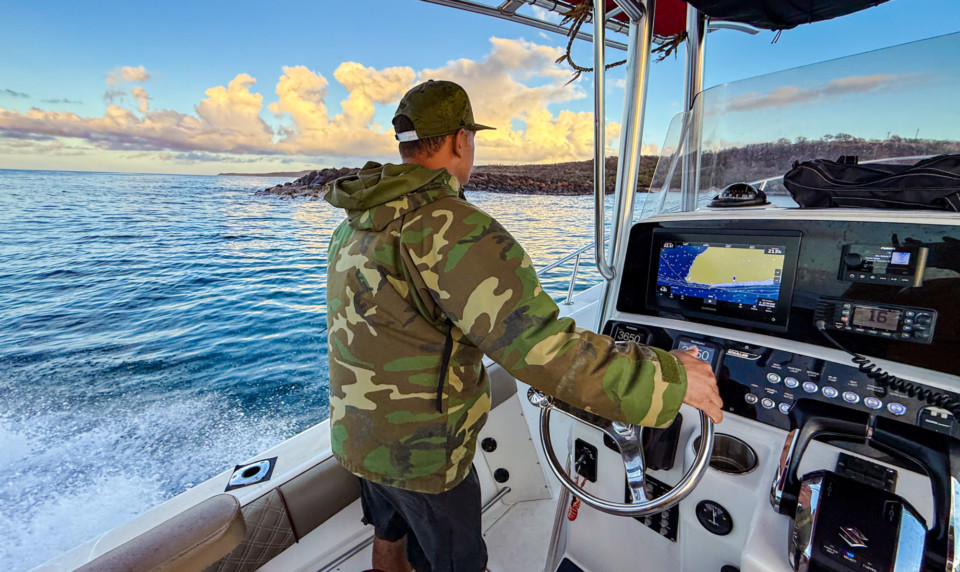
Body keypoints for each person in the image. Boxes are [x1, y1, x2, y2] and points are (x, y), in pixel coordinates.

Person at [324, 79, 723, 572]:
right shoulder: (452, 225)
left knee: (390, 532)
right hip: (422, 455)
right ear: (460, 140)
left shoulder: (358, 217)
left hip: (358, 432)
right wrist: (669, 376)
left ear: (405, 144)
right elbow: (542, 350)